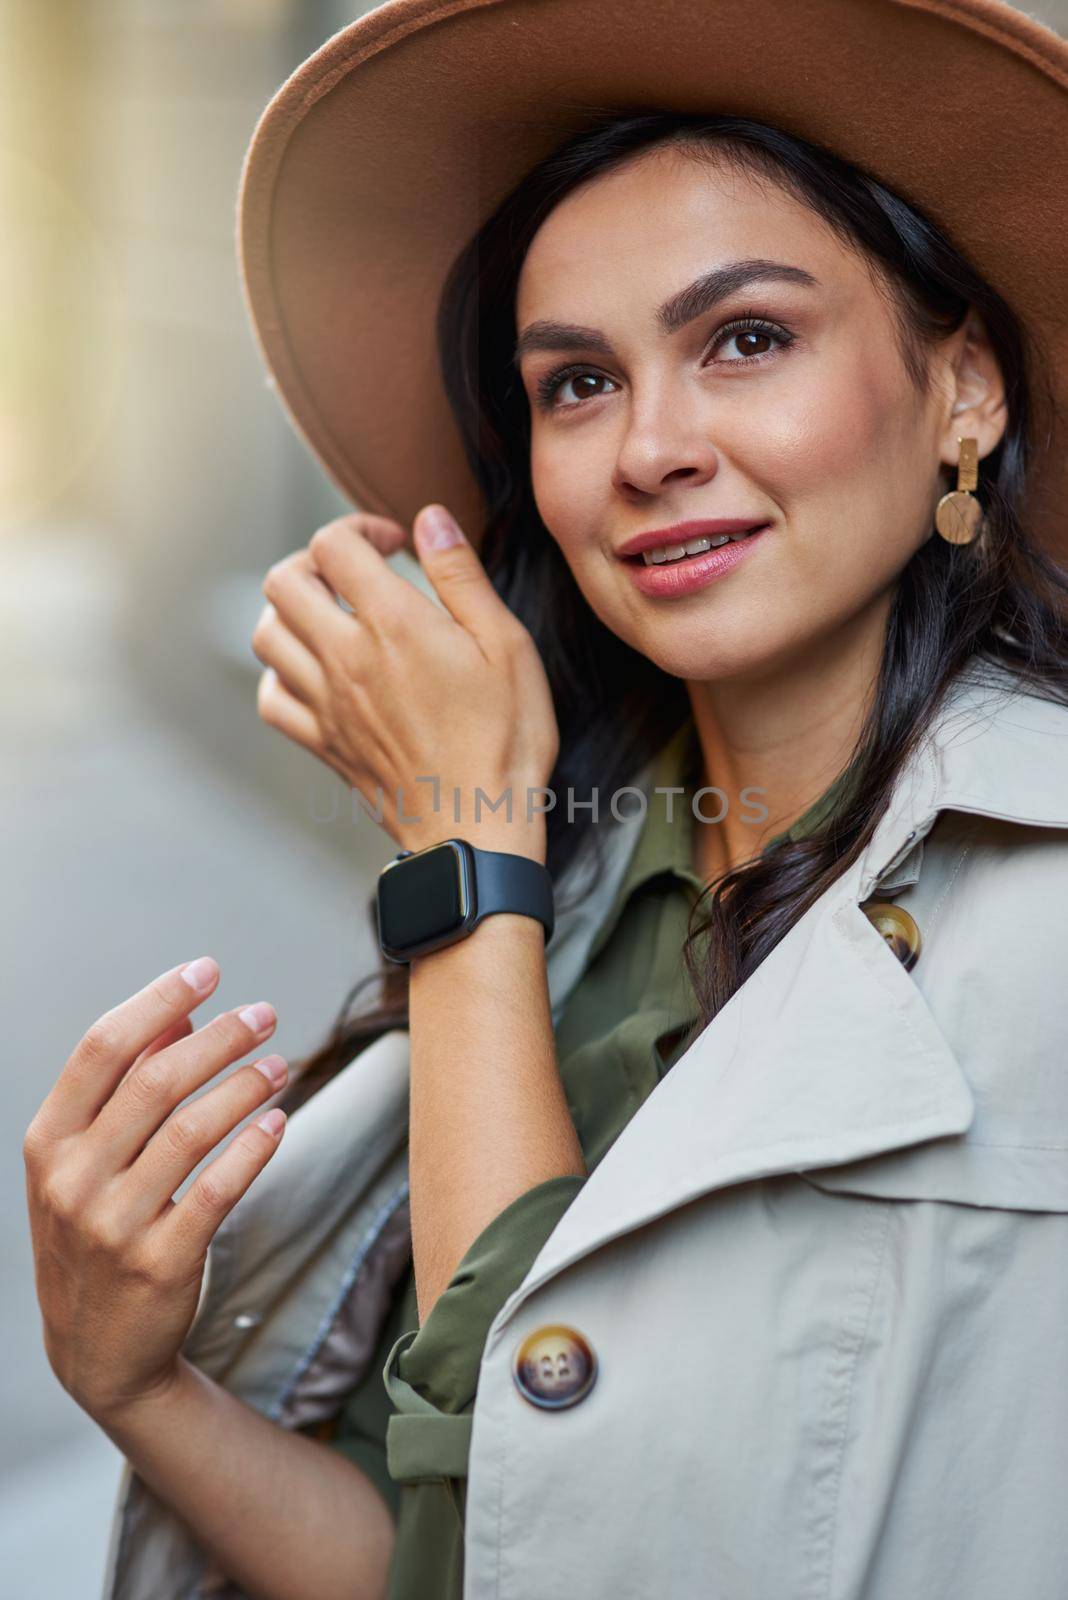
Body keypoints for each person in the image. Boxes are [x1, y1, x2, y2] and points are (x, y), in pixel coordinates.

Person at [22, 2, 1068, 1598]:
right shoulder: (578, 886)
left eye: (746, 339)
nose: (649, 447)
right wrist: (138, 1385)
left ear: (966, 392)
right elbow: (464, 1547)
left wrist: (458, 849)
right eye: (577, 382)